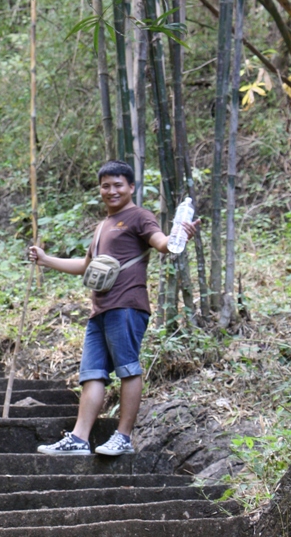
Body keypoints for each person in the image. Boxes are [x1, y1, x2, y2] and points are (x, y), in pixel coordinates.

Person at [28, 160, 199, 457]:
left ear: (131, 187)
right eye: (106, 185)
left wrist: (180, 235)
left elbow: (162, 244)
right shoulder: (102, 226)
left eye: (118, 184)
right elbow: (85, 266)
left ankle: (123, 437)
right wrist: (45, 259)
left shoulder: (139, 216)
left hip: (127, 305)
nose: (112, 191)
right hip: (100, 309)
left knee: (128, 368)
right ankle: (79, 439)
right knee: (92, 374)